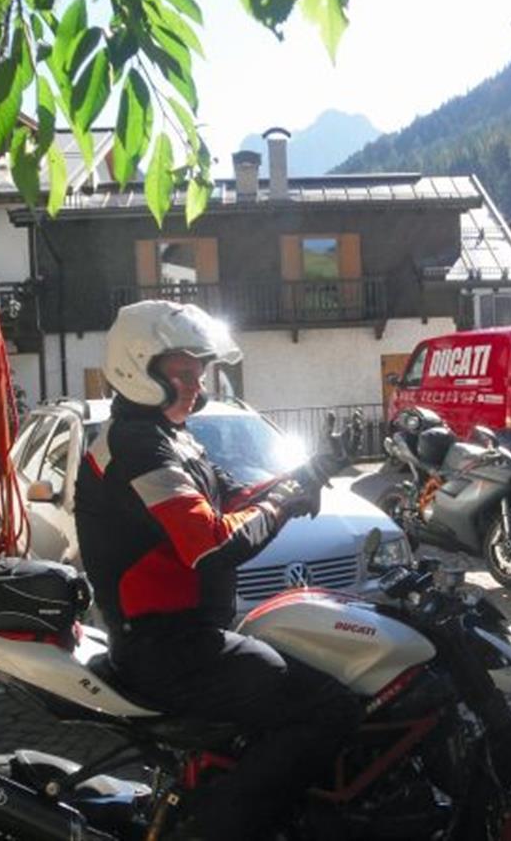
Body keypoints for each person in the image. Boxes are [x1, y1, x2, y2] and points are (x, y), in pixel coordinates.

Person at [74, 300, 361, 839]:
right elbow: (211, 544)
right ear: (138, 368)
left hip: (186, 638)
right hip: (168, 650)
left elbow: (231, 499)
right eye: (182, 374)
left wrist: (308, 472)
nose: (196, 386)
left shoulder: (167, 436)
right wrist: (285, 503)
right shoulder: (138, 447)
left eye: (199, 374)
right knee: (328, 708)